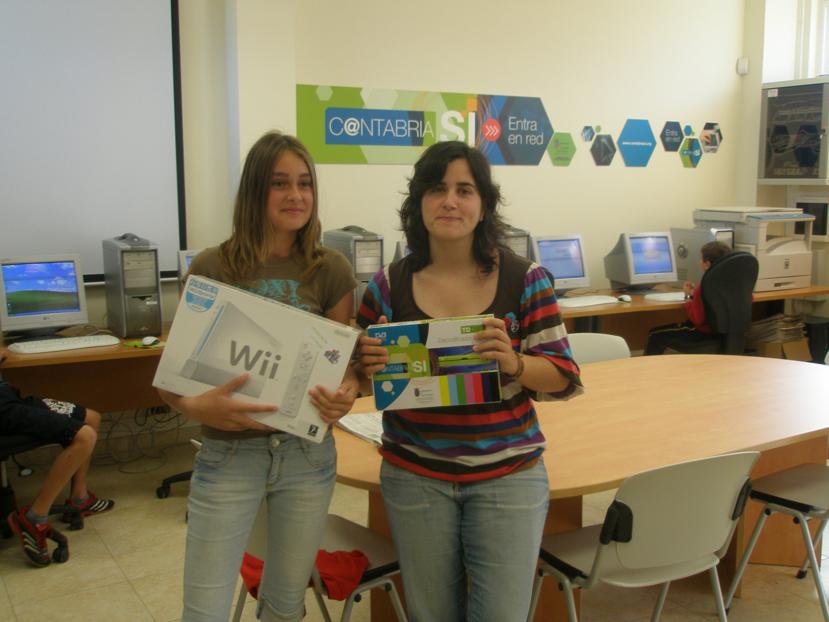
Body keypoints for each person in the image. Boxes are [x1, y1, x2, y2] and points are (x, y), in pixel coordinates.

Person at [355, 141, 583, 621]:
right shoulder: (387, 285)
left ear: (484, 204)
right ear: (419, 201)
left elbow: (564, 378)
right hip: (415, 478)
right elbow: (357, 377)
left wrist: (514, 363)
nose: (450, 202)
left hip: (508, 478)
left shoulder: (526, 279)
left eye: (464, 190)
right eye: (437, 189)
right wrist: (365, 364)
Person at [157, 131, 360, 622]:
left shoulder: (331, 269)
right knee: (203, 610)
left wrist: (348, 393)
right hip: (229, 456)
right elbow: (168, 381)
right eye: (279, 183)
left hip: (306, 457)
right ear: (255, 190)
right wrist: (194, 406)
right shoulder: (213, 266)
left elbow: (345, 369)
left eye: (305, 183)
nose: (296, 195)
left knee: (285, 606)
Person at [0, 376, 114, 567]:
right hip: (4, 410)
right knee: (85, 436)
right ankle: (34, 518)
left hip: (10, 397)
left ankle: (80, 499)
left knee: (91, 418)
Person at [644, 240, 732, 355]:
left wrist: (689, 296)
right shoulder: (734, 284)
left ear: (707, 264)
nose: (700, 262)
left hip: (701, 334)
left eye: (701, 259)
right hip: (727, 336)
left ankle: (649, 367)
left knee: (654, 335)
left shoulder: (705, 286)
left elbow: (697, 319)